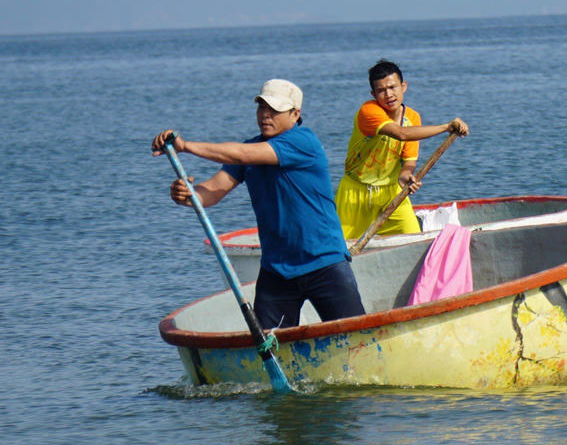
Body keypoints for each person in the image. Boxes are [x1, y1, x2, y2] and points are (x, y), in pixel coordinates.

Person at [151, 78, 365, 330]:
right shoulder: (250, 147)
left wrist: (185, 146)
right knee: (269, 347)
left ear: (295, 114)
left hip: (324, 261)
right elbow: (214, 191)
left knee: (357, 335)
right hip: (277, 270)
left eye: (274, 110)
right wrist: (188, 195)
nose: (265, 115)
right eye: (261, 108)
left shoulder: (303, 142)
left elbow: (241, 154)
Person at [335, 59, 469, 239]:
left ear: (403, 86)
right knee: (339, 251)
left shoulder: (413, 117)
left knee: (413, 240)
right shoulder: (368, 111)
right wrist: (446, 127)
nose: (388, 94)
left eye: (393, 87)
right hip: (356, 193)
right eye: (381, 90)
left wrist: (406, 177)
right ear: (373, 94)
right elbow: (401, 134)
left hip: (391, 193)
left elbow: (409, 161)